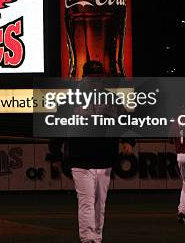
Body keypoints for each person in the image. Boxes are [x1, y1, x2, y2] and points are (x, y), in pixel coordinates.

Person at [47, 61, 135, 243]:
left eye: (97, 77)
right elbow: (57, 128)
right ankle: (88, 239)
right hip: (80, 158)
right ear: (84, 77)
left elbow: (126, 123)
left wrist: (128, 141)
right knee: (87, 201)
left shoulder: (112, 99)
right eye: (91, 78)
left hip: (104, 159)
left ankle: (97, 237)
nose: (95, 81)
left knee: (99, 203)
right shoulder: (70, 100)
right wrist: (55, 153)